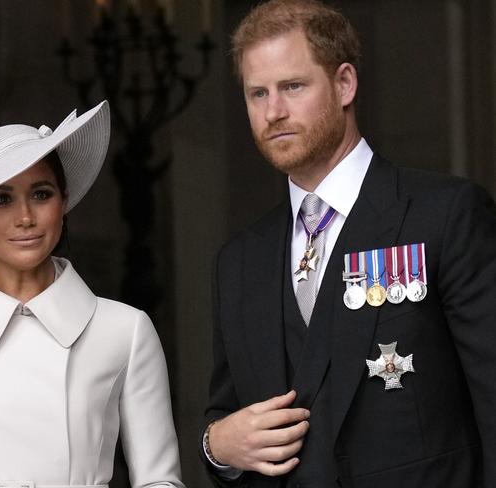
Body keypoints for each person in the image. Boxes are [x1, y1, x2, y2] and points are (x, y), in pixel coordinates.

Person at [201, 1, 496, 487]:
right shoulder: (238, 262)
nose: (274, 111)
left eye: (293, 87)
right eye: (258, 93)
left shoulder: (445, 215)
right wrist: (216, 448)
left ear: (344, 84)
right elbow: (227, 418)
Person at [0, 101, 185, 488]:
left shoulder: (125, 330)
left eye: (41, 194)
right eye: (2, 199)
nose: (25, 217)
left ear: (64, 201)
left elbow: (160, 481)